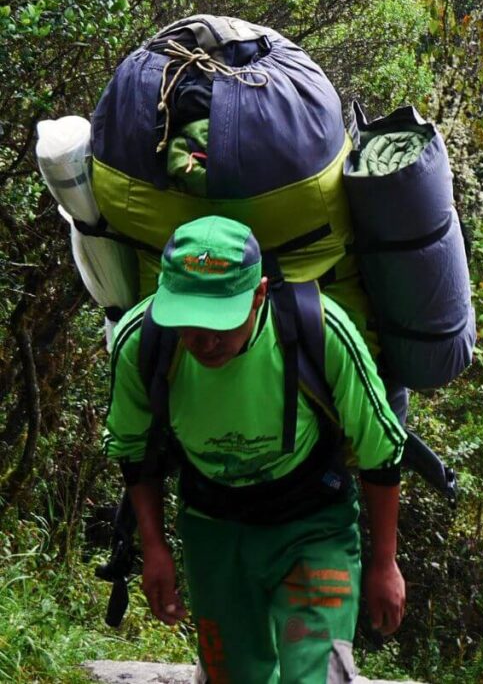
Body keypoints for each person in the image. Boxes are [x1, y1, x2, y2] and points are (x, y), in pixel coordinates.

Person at [105, 215, 407, 683]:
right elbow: (132, 449)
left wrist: (385, 563)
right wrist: (154, 546)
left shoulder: (322, 330)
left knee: (318, 675)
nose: (203, 340)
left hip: (313, 526)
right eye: (188, 322)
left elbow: (379, 451)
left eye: (219, 323)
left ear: (259, 294)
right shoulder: (140, 341)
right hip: (214, 528)